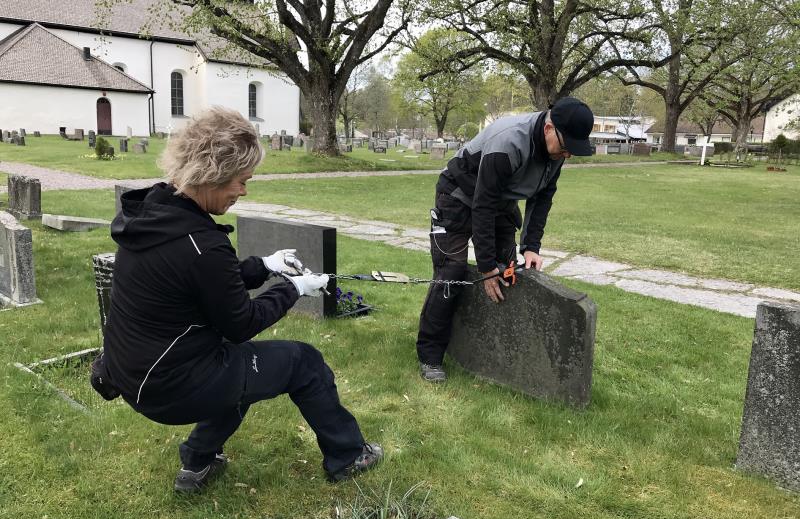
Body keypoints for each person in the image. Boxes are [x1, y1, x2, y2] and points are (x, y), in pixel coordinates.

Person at [97, 107, 382, 492]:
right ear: (213, 175)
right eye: (242, 181)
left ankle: (198, 462)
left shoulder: (154, 218)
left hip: (133, 373)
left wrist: (266, 264)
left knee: (243, 367)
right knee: (303, 362)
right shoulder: (200, 244)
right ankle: (349, 457)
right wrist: (294, 288)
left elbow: (208, 281)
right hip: (170, 386)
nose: (243, 191)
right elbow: (239, 322)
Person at [415, 97, 594, 382]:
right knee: (452, 272)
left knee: (507, 269)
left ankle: (495, 351)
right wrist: (486, 268)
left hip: (498, 200)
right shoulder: (509, 142)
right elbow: (482, 205)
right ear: (549, 128)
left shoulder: (557, 152)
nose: (567, 155)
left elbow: (543, 196)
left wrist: (531, 246)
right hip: (458, 195)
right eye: (565, 147)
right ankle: (430, 355)